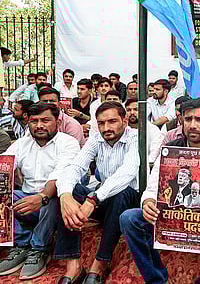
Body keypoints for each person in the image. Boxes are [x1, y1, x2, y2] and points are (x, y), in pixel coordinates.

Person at [119, 98, 200, 284]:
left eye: (199, 120)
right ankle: (156, 279)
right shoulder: (169, 150)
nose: (192, 125)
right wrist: (148, 203)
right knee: (129, 218)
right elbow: (152, 189)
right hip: (170, 217)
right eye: (188, 119)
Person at [55, 101, 140, 283]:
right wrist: (65, 196)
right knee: (67, 188)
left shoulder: (135, 138)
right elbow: (76, 167)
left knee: (121, 191)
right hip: (104, 200)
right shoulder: (96, 139)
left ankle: (100, 264)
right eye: (101, 123)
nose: (106, 128)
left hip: (128, 202)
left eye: (112, 122)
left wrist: (93, 199)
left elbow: (128, 172)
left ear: (124, 121)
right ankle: (73, 265)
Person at [0, 103, 80, 280]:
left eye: (45, 120)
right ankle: (21, 244)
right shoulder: (22, 144)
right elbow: (4, 167)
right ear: (28, 122)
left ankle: (39, 249)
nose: (39, 125)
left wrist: (42, 197)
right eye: (34, 121)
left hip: (50, 202)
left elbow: (60, 175)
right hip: (26, 200)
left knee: (58, 195)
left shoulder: (68, 143)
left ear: (57, 122)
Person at [126, 98, 164, 165]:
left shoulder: (153, 130)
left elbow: (154, 153)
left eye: (136, 109)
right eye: (128, 110)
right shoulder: (122, 130)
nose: (132, 112)